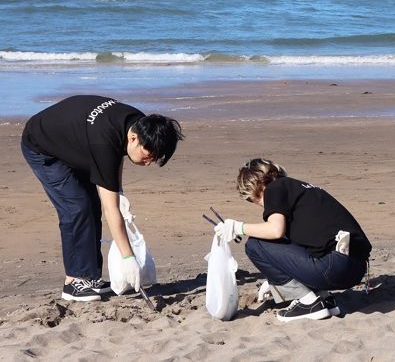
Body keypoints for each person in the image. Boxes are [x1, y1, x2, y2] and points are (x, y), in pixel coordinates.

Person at [21, 95, 183, 302]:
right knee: (77, 207)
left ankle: (88, 278)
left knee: (91, 206)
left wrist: (119, 190)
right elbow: (111, 209)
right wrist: (128, 257)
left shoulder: (140, 124)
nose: (149, 162)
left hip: (77, 143)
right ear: (134, 139)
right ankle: (73, 282)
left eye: (154, 158)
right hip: (43, 147)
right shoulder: (105, 142)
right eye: (148, 155)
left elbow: (115, 156)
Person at [215, 158, 372, 322]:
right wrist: (275, 280)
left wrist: (237, 227)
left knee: (255, 245)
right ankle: (323, 298)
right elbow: (298, 245)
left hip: (333, 267)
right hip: (355, 268)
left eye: (251, 199)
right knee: (287, 241)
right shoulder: (300, 189)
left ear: (256, 187)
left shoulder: (274, 189)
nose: (256, 204)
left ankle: (309, 303)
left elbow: (275, 231)